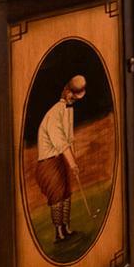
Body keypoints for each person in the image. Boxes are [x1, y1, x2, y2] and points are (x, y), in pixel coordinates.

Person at [35, 75, 86, 242]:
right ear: (69, 93)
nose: (75, 101)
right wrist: (71, 163)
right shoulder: (55, 112)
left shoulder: (67, 110)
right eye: (75, 97)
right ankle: (58, 232)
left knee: (66, 195)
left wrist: (73, 163)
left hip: (60, 160)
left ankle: (66, 228)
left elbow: (69, 139)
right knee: (57, 197)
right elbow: (61, 142)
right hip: (49, 163)